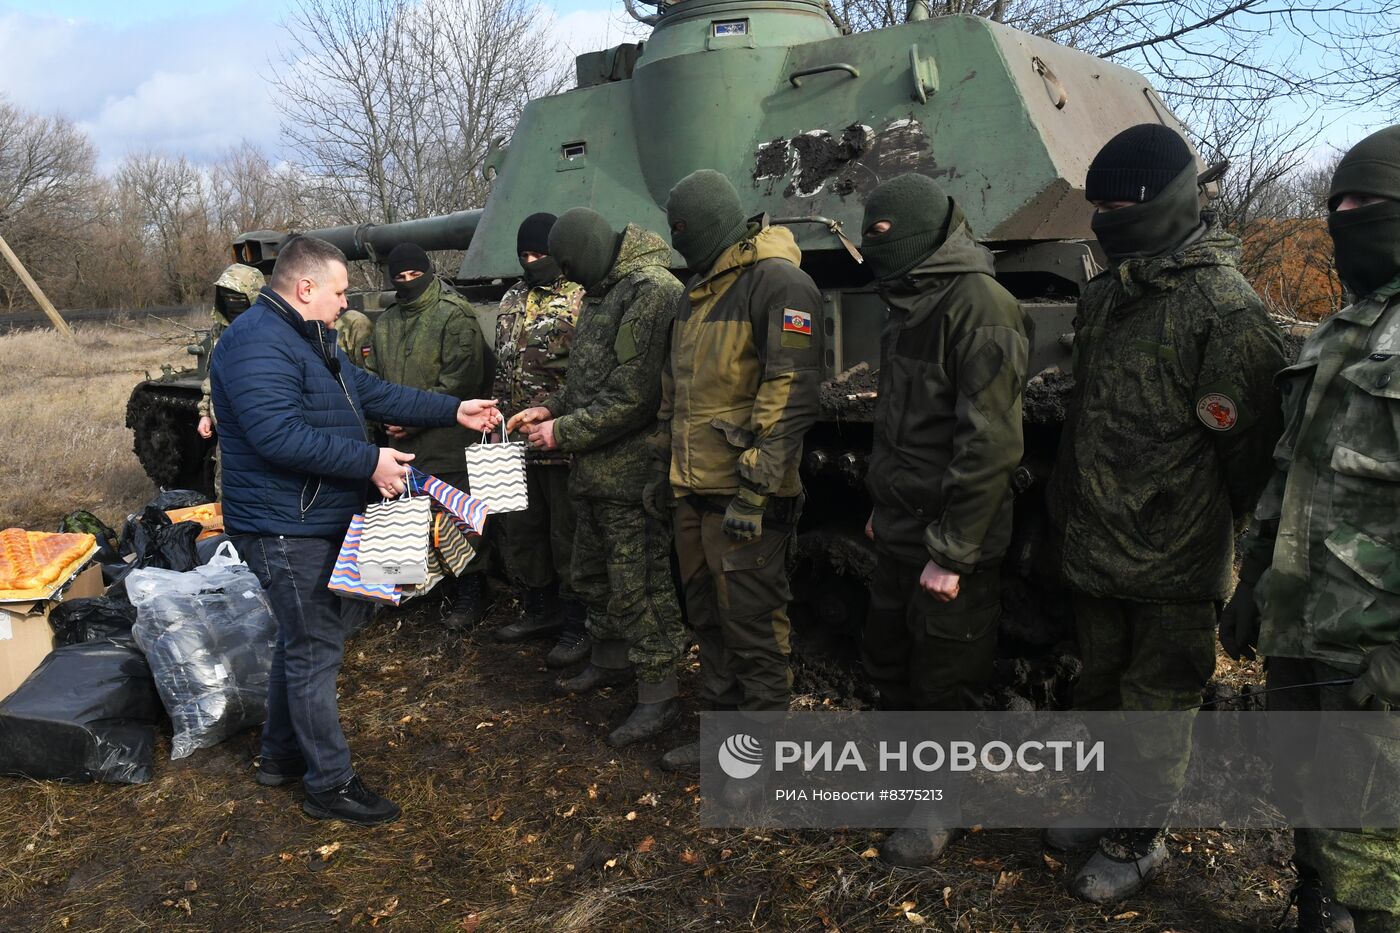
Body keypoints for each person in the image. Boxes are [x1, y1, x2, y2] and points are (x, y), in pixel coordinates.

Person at [1044, 124, 1285, 902]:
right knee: (1099, 692)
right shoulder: (1109, 293)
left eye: (1121, 207)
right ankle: (1106, 806)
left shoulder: (1226, 312)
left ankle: (1137, 837)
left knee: (1155, 708)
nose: (1106, 221)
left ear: (1167, 205)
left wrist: (1230, 556)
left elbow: (1248, 461)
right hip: (1097, 547)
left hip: (1174, 561)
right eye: (1098, 207)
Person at [210, 235, 500, 825]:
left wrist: (453, 409)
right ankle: (329, 785)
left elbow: (369, 392)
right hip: (282, 526)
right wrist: (369, 463)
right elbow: (277, 435)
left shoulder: (308, 337)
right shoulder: (255, 344)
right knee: (316, 648)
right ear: (305, 287)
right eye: (341, 292)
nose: (347, 303)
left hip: (308, 515)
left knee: (302, 643)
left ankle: (280, 757)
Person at [1226, 124, 1400, 933]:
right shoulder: (1339, 328)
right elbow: (1291, 472)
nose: (1345, 217)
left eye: (1368, 202)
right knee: (1303, 791)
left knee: (1375, 838)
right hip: (1304, 623)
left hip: (1378, 645)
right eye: (1338, 203)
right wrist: (1253, 580)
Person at [854, 172, 1030, 866]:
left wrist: (953, 552)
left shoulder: (978, 306)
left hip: (950, 541)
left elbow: (989, 443)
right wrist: (877, 504)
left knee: (943, 678)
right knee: (887, 659)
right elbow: (898, 424)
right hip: (899, 527)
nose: (874, 256)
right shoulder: (910, 299)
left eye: (884, 242)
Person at [649, 170, 821, 774]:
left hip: (746, 497)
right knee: (708, 619)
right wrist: (669, 478)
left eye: (682, 227)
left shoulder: (778, 284)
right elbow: (679, 396)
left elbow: (790, 391)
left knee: (752, 626)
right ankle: (723, 746)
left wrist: (755, 491)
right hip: (693, 493)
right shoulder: (695, 295)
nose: (676, 238)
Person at [507, 207, 687, 748]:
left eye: (566, 262)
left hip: (631, 476)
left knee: (641, 590)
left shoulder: (650, 291)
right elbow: (588, 382)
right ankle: (610, 662)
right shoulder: (606, 291)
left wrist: (562, 432)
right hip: (593, 470)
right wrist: (551, 408)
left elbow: (634, 397)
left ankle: (659, 696)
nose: (563, 273)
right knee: (592, 577)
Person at [366, 243, 492, 630]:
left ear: (427, 271)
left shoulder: (454, 315)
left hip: (446, 438)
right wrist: (385, 415)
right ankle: (415, 588)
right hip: (399, 438)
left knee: (457, 516)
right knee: (407, 512)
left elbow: (461, 380)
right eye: (400, 278)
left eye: (414, 275)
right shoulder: (386, 322)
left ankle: (472, 590)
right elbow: (372, 374)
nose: (408, 283)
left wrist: (412, 419)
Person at [490, 213, 591, 668]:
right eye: (525, 255)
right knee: (523, 531)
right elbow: (503, 364)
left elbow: (588, 374)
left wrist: (561, 416)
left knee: (566, 534)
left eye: (540, 254)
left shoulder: (581, 297)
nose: (532, 262)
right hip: (513, 439)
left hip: (560, 439)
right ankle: (539, 610)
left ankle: (577, 624)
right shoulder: (512, 296)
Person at [196, 263, 266, 496]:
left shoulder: (269, 327)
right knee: (226, 487)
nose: (231, 302)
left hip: (262, 425)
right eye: (227, 296)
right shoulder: (220, 329)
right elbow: (211, 373)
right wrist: (205, 413)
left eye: (238, 296)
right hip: (226, 426)